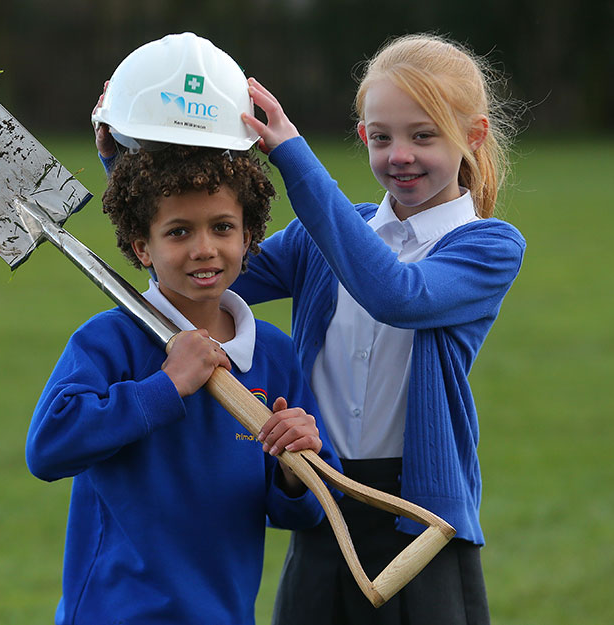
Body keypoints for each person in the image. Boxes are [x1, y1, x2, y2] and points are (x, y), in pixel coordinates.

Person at [228, 34, 527, 624]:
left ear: (473, 136)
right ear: (363, 136)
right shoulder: (331, 234)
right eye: (383, 137)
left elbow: (396, 294)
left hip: (418, 523)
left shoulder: (490, 246)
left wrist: (293, 156)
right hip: (322, 496)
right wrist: (141, 164)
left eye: (424, 135)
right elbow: (205, 273)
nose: (401, 155)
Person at [27, 138, 343, 624]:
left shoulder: (273, 355)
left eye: (223, 228)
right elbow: (48, 449)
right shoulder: (109, 340)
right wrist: (166, 385)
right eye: (178, 232)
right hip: (115, 613)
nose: (204, 249)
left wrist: (295, 466)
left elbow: (304, 513)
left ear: (248, 237)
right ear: (142, 247)